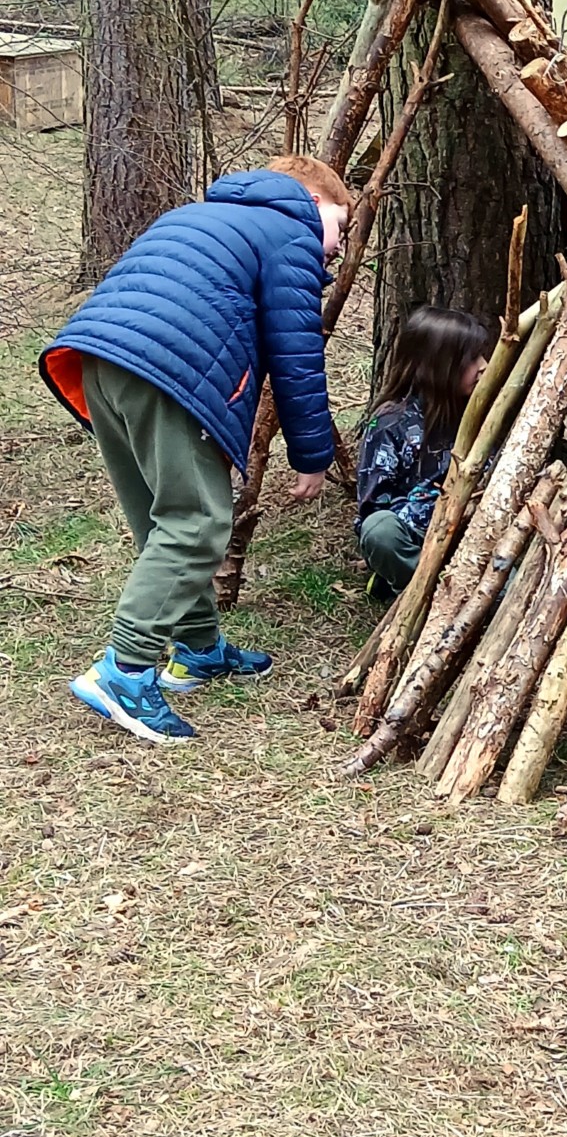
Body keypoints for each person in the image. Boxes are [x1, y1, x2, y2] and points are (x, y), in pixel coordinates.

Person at [39, 157, 351, 744]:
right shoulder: (292, 231)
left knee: (163, 512)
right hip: (168, 371)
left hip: (100, 359)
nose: (337, 245)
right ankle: (124, 672)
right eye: (340, 222)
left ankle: (198, 646)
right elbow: (297, 355)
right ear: (311, 200)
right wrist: (311, 455)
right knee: (198, 520)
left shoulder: (203, 213)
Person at [357, 306, 493, 600]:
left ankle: (455, 589)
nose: (484, 366)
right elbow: (373, 508)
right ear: (437, 365)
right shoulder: (391, 423)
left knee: (511, 590)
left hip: (478, 533)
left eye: (483, 355)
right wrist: (429, 510)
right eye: (471, 360)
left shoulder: (490, 411)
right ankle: (428, 587)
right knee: (380, 531)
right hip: (417, 535)